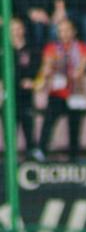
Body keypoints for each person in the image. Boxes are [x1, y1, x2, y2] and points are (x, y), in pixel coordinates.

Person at [35, 18, 86, 161]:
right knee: (48, 121)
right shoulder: (52, 48)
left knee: (74, 126)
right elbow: (47, 65)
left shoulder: (82, 48)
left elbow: (82, 67)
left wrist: (75, 72)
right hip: (57, 92)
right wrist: (44, 76)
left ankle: (73, 157)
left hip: (75, 92)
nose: (64, 34)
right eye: (61, 31)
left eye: (67, 30)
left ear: (74, 31)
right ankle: (41, 151)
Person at [4, 18, 41, 158]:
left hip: (25, 95)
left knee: (28, 126)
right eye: (12, 29)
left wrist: (34, 82)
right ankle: (10, 157)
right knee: (10, 128)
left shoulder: (31, 49)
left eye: (18, 28)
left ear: (23, 29)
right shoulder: (4, 49)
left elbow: (38, 70)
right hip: (9, 95)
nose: (16, 32)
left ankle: (32, 154)